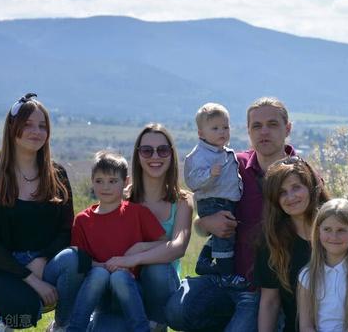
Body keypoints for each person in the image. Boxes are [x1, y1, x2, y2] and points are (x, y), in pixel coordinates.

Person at [166, 97, 297, 331]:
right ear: (248, 131)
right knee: (177, 310)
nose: (264, 132)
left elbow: (324, 223)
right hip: (227, 277)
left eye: (272, 124)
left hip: (267, 289)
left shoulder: (301, 177)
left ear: (287, 129)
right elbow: (200, 224)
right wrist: (206, 222)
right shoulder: (233, 165)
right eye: (256, 126)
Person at [0, 93, 83, 331]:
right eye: (28, 125)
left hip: (46, 262)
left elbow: (67, 230)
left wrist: (42, 260)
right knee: (25, 312)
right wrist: (30, 278)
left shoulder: (58, 175)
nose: (37, 132)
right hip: (3, 269)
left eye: (42, 126)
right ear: (12, 128)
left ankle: (62, 326)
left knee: (76, 260)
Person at [104, 123, 194, 331]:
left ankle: (157, 324)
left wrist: (136, 255)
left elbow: (178, 247)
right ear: (138, 155)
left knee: (157, 269)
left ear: (171, 154)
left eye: (162, 150)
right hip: (126, 282)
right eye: (147, 150)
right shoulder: (123, 198)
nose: (155, 156)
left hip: (163, 285)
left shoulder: (183, 200)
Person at [68, 150, 167, 332]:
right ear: (92, 181)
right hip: (100, 297)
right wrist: (106, 266)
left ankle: (142, 329)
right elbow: (80, 260)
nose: (105, 187)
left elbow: (164, 244)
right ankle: (74, 328)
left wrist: (140, 247)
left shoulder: (138, 213)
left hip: (132, 292)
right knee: (99, 275)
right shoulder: (82, 220)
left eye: (113, 181)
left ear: (126, 182)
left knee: (120, 277)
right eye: (99, 181)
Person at [255, 156, 331, 332]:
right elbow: (270, 301)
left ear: (311, 186)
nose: (290, 197)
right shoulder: (271, 242)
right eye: (282, 192)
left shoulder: (338, 228)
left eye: (296, 187)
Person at [297, 198, 348, 332]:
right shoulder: (307, 276)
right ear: (318, 231)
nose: (334, 236)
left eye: (341, 230)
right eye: (327, 229)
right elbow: (306, 326)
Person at [184, 103, 243, 283]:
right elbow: (192, 181)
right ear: (201, 133)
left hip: (224, 200)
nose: (222, 132)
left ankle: (204, 261)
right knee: (225, 235)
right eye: (215, 128)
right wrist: (209, 174)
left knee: (223, 234)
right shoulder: (199, 155)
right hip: (213, 202)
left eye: (225, 127)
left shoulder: (223, 152)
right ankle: (226, 275)